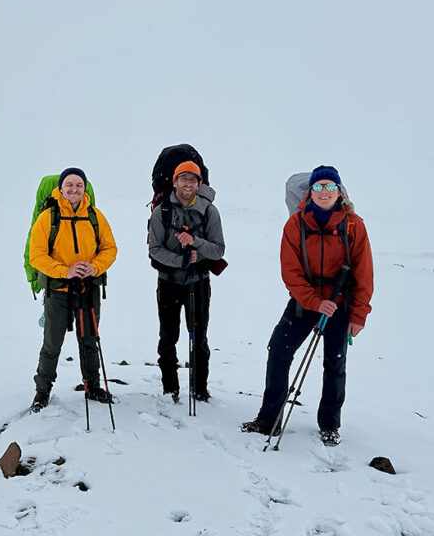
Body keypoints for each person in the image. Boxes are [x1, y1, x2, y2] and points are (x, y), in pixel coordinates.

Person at [241, 165, 373, 445]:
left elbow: (364, 273)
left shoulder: (354, 225)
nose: (323, 192)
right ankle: (269, 419)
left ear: (339, 192)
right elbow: (291, 272)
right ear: (309, 192)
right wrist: (315, 301)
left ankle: (329, 424)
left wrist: (359, 315)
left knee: (334, 363)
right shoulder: (295, 224)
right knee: (278, 350)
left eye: (329, 187)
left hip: (340, 304)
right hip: (305, 300)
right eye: (318, 187)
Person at [27, 167, 118, 413]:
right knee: (52, 343)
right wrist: (64, 271)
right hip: (58, 291)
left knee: (90, 340)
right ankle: (42, 391)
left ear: (84, 188)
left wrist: (94, 267)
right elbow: (36, 255)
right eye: (69, 184)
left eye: (79, 185)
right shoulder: (48, 217)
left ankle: (93, 386)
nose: (74, 189)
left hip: (88, 289)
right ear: (60, 188)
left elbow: (109, 248)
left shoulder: (96, 216)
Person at [148, 161, 225, 402]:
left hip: (199, 282)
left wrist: (195, 242)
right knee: (168, 337)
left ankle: (199, 389)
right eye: (184, 178)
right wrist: (180, 261)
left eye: (193, 179)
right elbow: (154, 250)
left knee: (199, 337)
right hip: (168, 282)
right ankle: (170, 388)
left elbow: (218, 250)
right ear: (175, 181)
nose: (188, 183)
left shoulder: (209, 211)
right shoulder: (161, 211)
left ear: (199, 183)